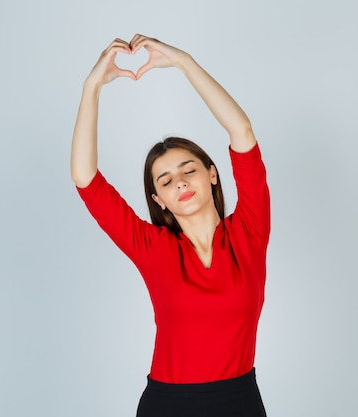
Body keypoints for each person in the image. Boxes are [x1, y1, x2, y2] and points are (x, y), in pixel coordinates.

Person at [71, 34, 271, 417]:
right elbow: (85, 178)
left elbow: (242, 133)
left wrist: (185, 63)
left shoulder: (250, 232)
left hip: (240, 402)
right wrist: (92, 86)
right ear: (158, 199)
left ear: (212, 175)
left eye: (188, 169)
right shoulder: (152, 247)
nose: (179, 181)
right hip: (169, 406)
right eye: (164, 180)